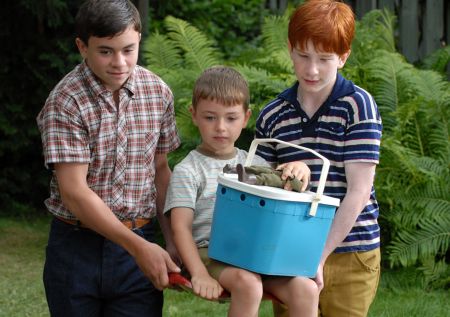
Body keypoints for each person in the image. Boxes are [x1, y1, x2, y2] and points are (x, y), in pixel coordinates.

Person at [36, 0, 181, 316]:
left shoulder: (159, 92)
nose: (119, 62)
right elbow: (74, 192)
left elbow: (160, 170)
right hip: (76, 250)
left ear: (139, 39)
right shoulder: (66, 101)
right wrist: (139, 248)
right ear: (82, 47)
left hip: (140, 239)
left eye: (128, 50)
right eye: (105, 51)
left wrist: (172, 240)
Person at [255, 1, 382, 316]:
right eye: (303, 56)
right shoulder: (273, 115)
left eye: (324, 59)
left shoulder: (357, 106)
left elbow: (359, 191)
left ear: (343, 56)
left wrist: (319, 257)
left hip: (351, 250)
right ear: (290, 49)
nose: (312, 70)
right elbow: (263, 190)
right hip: (289, 252)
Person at [164, 66, 318, 317]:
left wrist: (300, 169)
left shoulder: (253, 164)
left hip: (253, 253)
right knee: (248, 284)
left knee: (306, 289)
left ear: (246, 118)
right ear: (194, 115)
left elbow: (288, 189)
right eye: (210, 117)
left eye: (231, 118)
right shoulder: (188, 170)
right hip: (210, 253)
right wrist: (199, 273)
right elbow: (180, 227)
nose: (221, 127)